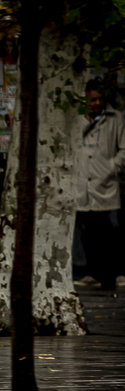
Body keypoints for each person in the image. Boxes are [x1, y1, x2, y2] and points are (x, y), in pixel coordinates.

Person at [75, 79, 125, 292]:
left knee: (111, 231)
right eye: (91, 99)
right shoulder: (76, 119)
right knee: (86, 233)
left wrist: (111, 168)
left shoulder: (116, 118)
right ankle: (91, 273)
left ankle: (114, 274)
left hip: (106, 185)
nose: (96, 104)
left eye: (99, 99)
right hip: (82, 185)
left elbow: (123, 148)